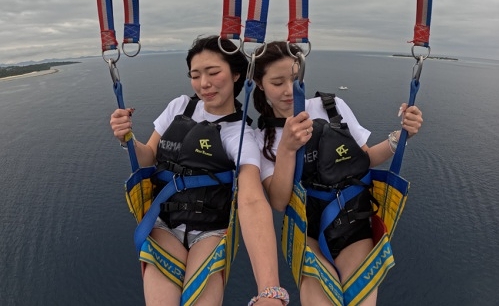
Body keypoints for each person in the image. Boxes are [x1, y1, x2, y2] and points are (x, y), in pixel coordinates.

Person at [110, 36, 288, 306]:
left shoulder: (240, 136)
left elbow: (252, 200)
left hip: (210, 232)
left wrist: (269, 290)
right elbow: (147, 157)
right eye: (195, 75)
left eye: (213, 72)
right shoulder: (179, 107)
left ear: (236, 74)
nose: (204, 83)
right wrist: (128, 139)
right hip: (164, 224)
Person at [252, 41, 424, 306]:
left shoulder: (331, 106)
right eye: (277, 83)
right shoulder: (262, 137)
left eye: (295, 79)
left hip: (354, 222)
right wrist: (286, 147)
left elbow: (364, 160)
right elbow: (278, 201)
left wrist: (400, 137)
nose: (289, 90)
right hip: (308, 233)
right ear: (260, 84)